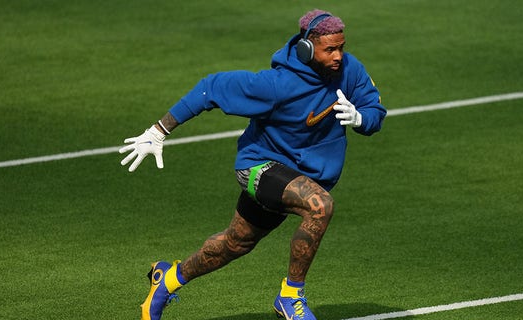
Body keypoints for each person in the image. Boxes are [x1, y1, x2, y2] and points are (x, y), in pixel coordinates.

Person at [119, 9, 386, 320]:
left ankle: (166, 279)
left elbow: (374, 111)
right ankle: (290, 296)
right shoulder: (276, 85)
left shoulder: (349, 70)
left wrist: (361, 118)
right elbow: (212, 88)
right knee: (320, 206)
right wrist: (158, 131)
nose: (339, 56)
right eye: (330, 49)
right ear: (307, 49)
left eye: (342, 47)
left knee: (235, 243)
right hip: (259, 167)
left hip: (299, 176)